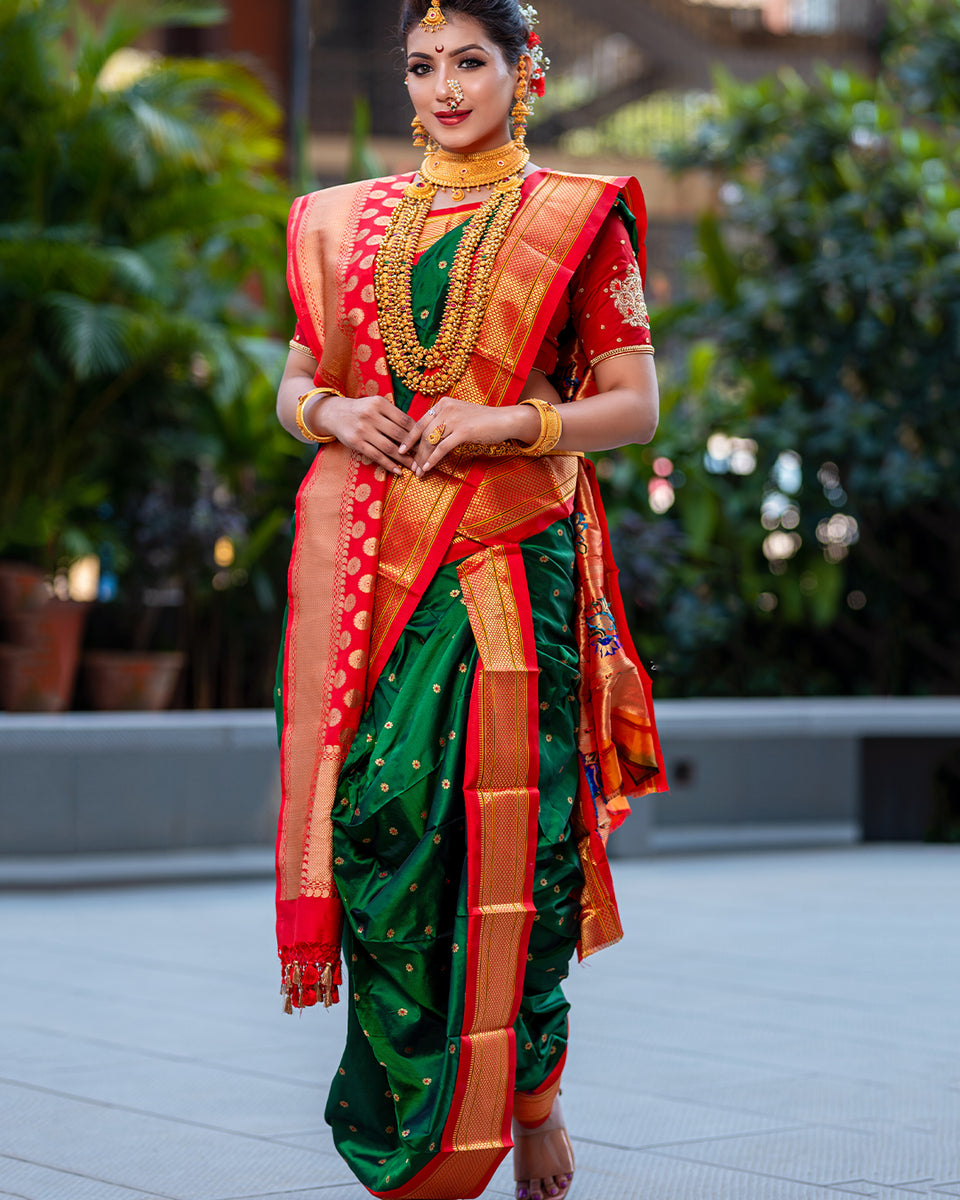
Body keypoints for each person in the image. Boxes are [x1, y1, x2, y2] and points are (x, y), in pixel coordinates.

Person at [273, 2, 666, 1197]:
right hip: (378, 566)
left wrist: (507, 421)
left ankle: (531, 1097)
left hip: (507, 554)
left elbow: (635, 407)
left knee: (519, 831)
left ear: (522, 69)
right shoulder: (346, 222)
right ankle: (414, 1141)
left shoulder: (575, 221)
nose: (445, 86)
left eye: (470, 61)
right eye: (423, 65)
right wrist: (337, 413)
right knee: (379, 822)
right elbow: (299, 377)